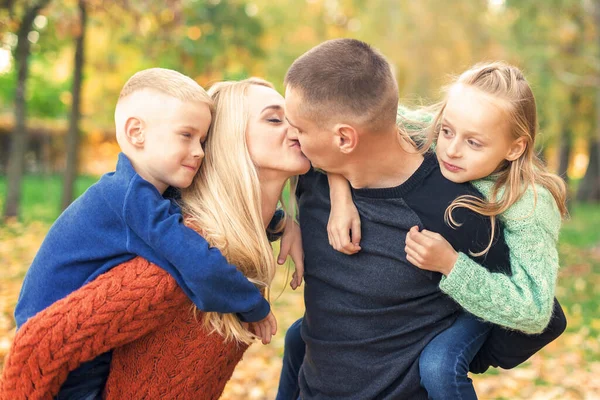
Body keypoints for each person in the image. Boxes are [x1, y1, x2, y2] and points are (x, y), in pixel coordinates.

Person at [278, 38, 566, 399]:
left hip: (485, 293)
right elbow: (362, 118)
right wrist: (331, 195)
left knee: (440, 366)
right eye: (447, 130)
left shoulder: (511, 207)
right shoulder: (420, 133)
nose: (452, 149)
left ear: (514, 147)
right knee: (296, 337)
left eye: (473, 142)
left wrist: (452, 267)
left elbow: (540, 314)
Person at [0, 77, 309, 400]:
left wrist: (283, 223)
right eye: (274, 119)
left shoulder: (199, 227)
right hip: (60, 346)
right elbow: (36, 349)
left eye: (201, 139)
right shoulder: (167, 237)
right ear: (229, 142)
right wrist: (253, 306)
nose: (197, 151)